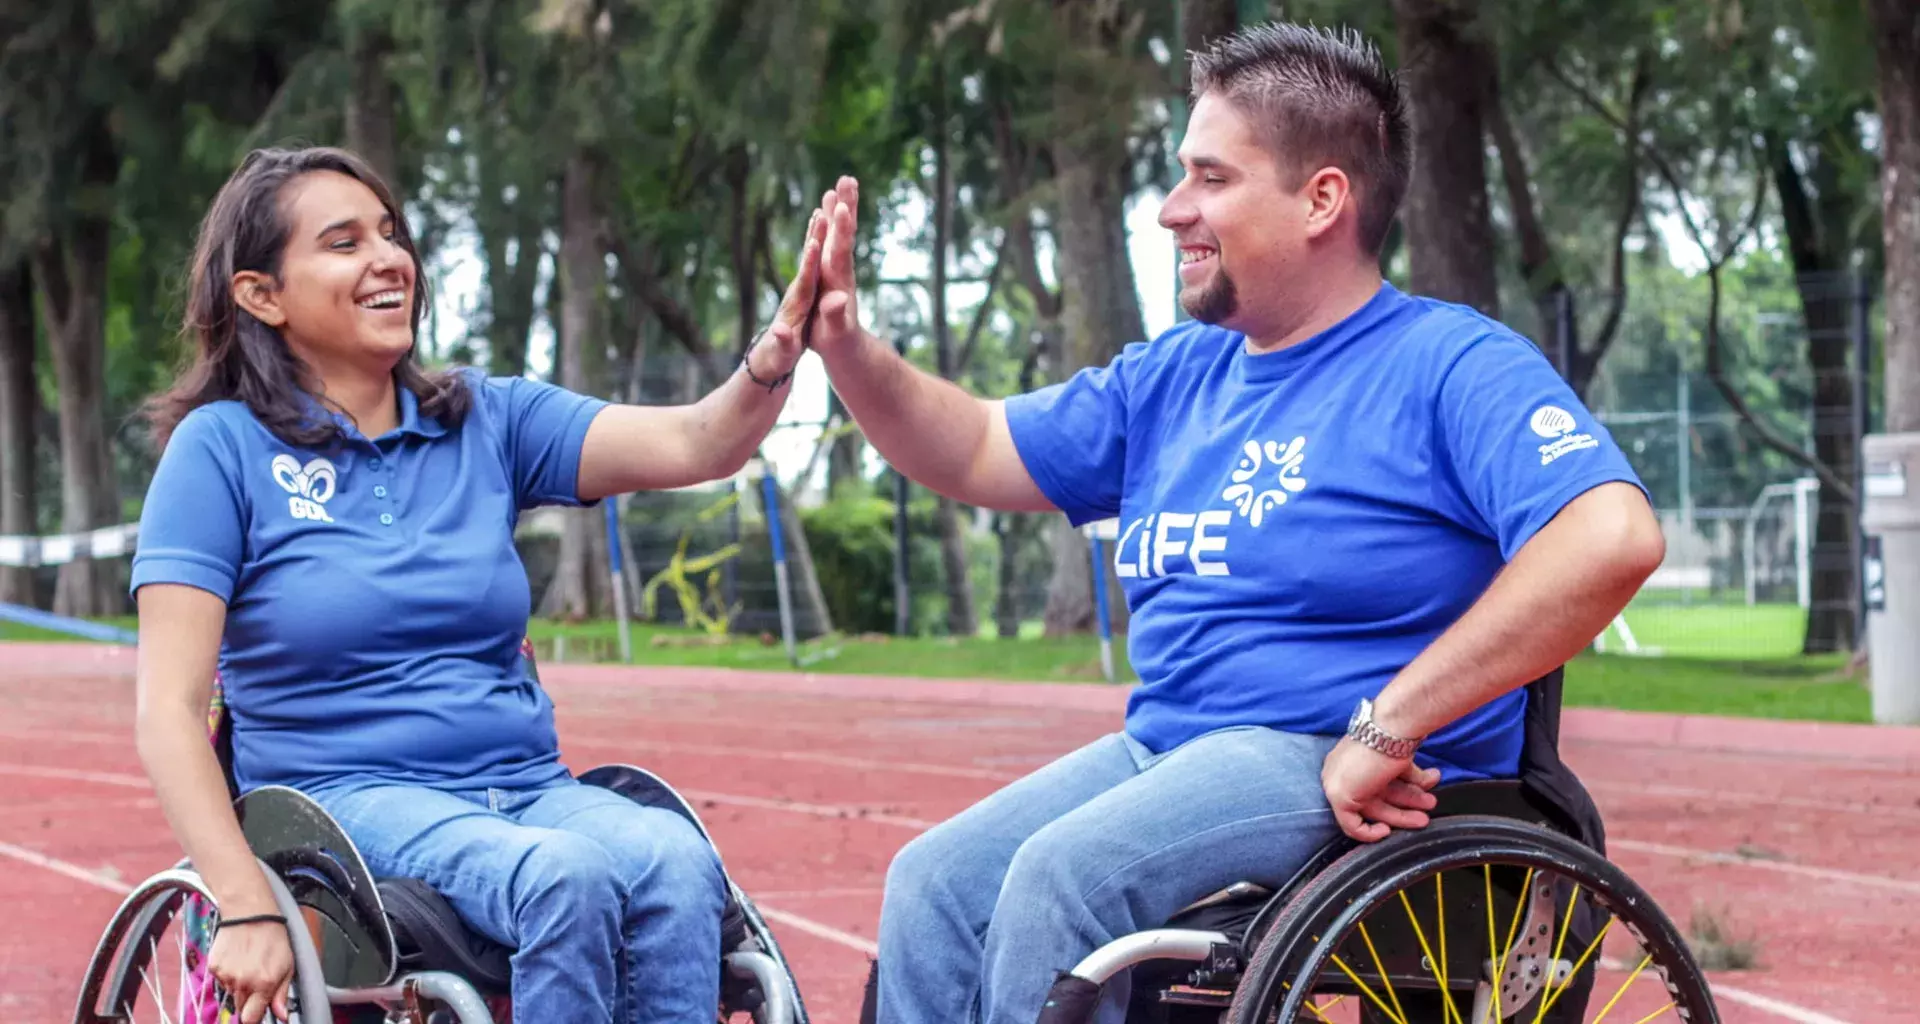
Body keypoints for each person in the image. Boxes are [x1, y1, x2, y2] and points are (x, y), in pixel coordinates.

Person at [796, 22, 1666, 1024]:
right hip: (1170, 748)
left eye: (1209, 178)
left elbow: (1612, 536)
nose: (1172, 211)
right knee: (934, 881)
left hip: (1332, 751)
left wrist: (1389, 723)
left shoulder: (1448, 365)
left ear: (1321, 200)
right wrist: (848, 347)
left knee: (1061, 877)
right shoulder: (1174, 376)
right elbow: (976, 446)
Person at [129, 146, 826, 1024]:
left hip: (526, 784)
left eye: (390, 233)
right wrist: (246, 900)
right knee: (564, 879)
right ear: (261, 295)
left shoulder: (484, 419)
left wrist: (776, 354)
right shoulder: (219, 451)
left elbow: (699, 444)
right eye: (343, 243)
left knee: (676, 860)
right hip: (348, 800)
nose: (388, 258)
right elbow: (168, 709)